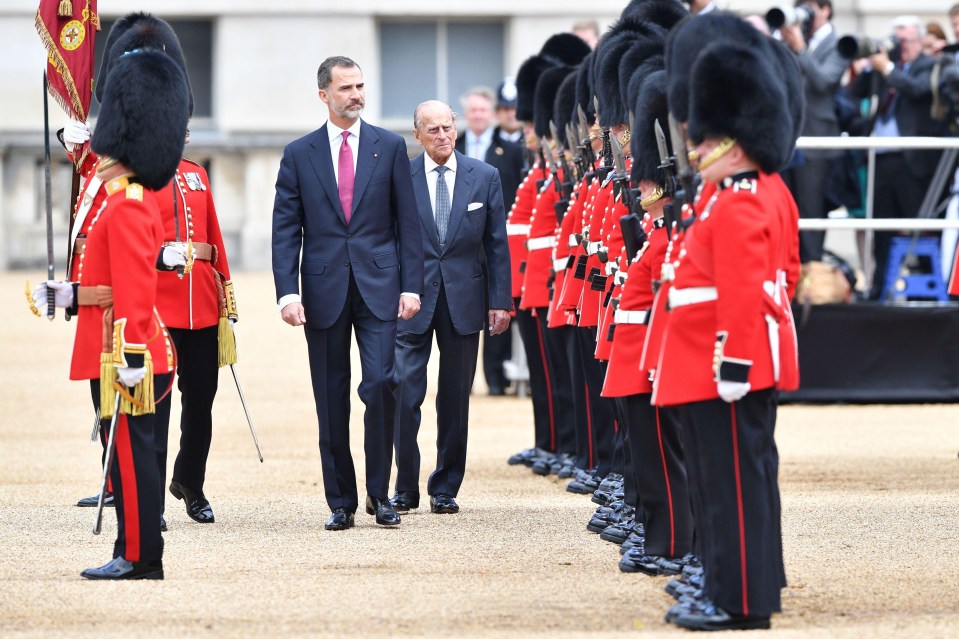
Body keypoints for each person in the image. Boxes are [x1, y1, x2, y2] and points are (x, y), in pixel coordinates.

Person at [654, 33, 800, 630]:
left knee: (731, 489)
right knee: (728, 486)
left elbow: (744, 292)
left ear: (736, 145)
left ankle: (740, 602)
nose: (699, 149)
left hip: (723, 367)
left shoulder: (738, 200)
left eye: (709, 140)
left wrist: (734, 363)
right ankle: (733, 584)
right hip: (708, 361)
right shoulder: (729, 195)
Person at [34, 46, 189, 579]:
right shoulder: (130, 197)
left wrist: (131, 355)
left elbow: (134, 290)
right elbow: (106, 286)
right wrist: (62, 297)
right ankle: (134, 548)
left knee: (131, 459)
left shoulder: (124, 204)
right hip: (125, 343)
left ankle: (140, 556)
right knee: (126, 459)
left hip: (127, 350)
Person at [271, 56, 424, 531]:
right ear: (324, 95)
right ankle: (341, 500)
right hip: (322, 290)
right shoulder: (299, 153)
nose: (356, 94)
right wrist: (286, 294)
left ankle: (381, 494)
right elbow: (284, 229)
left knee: (381, 385)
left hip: (380, 286)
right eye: (346, 88)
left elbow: (408, 224)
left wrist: (411, 286)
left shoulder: (390, 146)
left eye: (360, 86)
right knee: (331, 396)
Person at [391, 101, 512, 515]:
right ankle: (404, 486)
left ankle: (445, 486)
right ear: (418, 135)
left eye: (448, 127)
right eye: (433, 130)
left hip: (465, 298)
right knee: (405, 392)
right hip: (412, 299)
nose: (442, 136)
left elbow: (497, 244)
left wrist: (500, 301)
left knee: (455, 398)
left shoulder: (485, 176)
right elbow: (388, 240)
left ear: (456, 128)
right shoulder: (401, 176)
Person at [846, 15, 949, 299]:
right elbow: (851, 94)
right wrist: (868, 67)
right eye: (897, 41)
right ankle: (878, 289)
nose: (900, 46)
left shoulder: (928, 65)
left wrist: (888, 68)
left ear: (917, 40)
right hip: (881, 160)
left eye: (904, 41)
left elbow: (917, 90)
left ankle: (926, 290)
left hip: (912, 161)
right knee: (881, 229)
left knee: (921, 228)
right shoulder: (883, 69)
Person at [455, 85, 524, 396]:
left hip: (494, 235)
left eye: (483, 110)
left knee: (497, 304)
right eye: (473, 111)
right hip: (459, 240)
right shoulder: (452, 143)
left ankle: (496, 378)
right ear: (465, 115)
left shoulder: (508, 148)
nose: (478, 116)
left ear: (490, 113)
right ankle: (463, 378)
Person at [778, 0, 846, 263]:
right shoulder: (793, 39)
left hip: (817, 140)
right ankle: (792, 272)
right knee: (787, 208)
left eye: (811, 7)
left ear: (825, 9)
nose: (806, 13)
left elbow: (823, 81)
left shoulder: (839, 43)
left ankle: (813, 274)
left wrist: (800, 48)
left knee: (811, 209)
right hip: (789, 139)